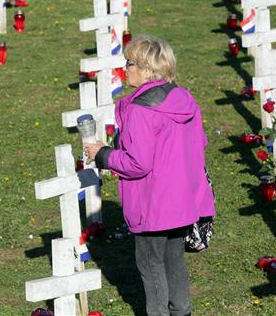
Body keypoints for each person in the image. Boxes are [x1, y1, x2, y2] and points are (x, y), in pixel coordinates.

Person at [84, 35, 215, 316]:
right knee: (173, 260)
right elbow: (199, 143)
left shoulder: (141, 110)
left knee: (150, 265)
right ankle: (182, 311)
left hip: (153, 203)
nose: (125, 69)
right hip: (182, 200)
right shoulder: (184, 99)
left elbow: (137, 163)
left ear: (146, 70)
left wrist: (103, 154)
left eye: (129, 64)